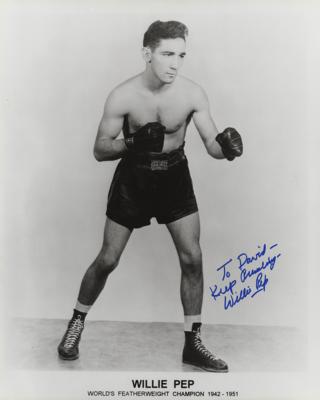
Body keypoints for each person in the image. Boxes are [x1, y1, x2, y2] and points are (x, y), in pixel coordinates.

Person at [57, 20, 243, 372]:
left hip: (175, 176)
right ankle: (75, 324)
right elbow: (99, 149)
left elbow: (210, 143)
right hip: (135, 178)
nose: (175, 63)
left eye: (181, 55)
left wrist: (226, 149)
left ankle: (193, 343)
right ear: (147, 53)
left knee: (192, 258)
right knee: (108, 259)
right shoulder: (123, 95)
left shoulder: (192, 93)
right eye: (167, 54)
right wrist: (132, 143)